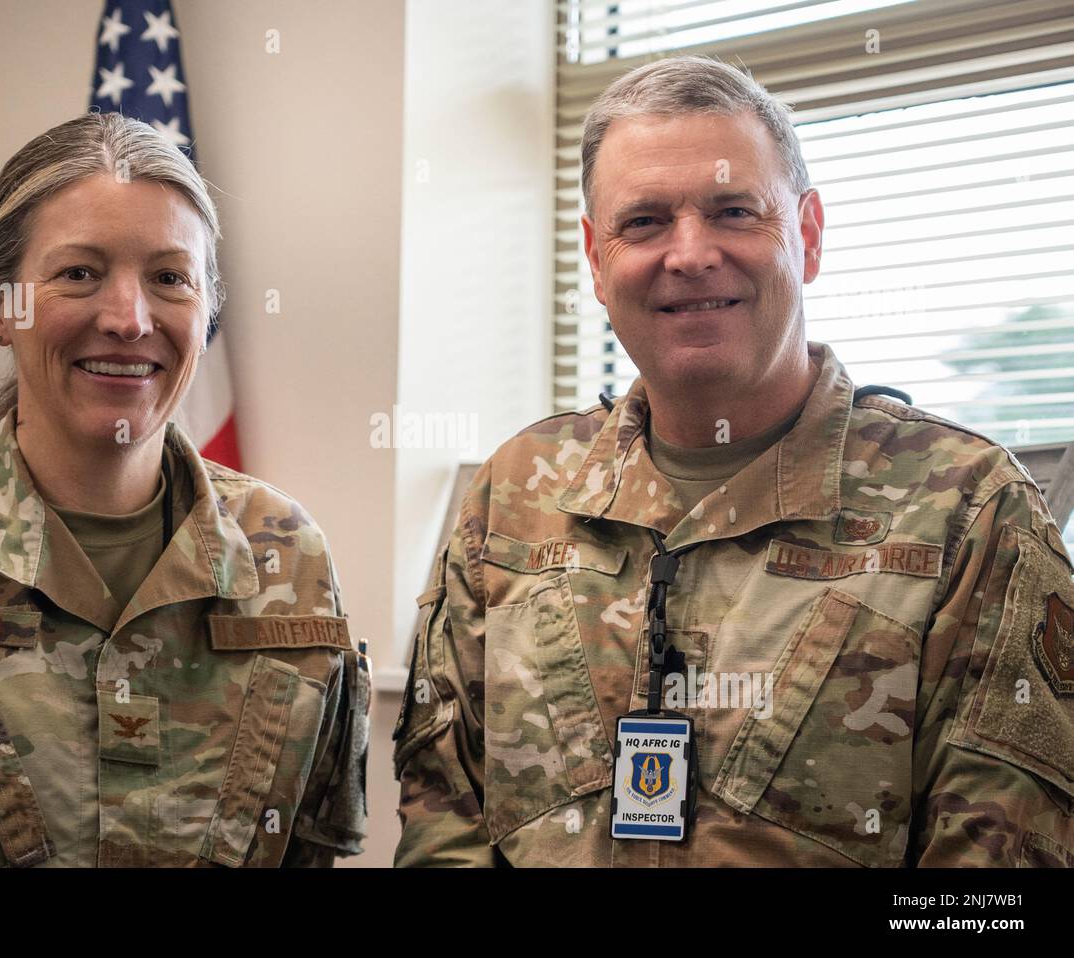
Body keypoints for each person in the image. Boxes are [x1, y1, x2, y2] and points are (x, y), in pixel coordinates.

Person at [392, 56, 1074, 867]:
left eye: (733, 211)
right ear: (597, 260)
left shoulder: (971, 511)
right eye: (643, 222)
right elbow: (445, 821)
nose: (690, 253)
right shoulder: (513, 495)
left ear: (808, 235)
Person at [0, 112, 368, 867]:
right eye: (79, 273)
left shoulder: (290, 559)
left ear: (208, 304)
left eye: (169, 278)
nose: (128, 318)